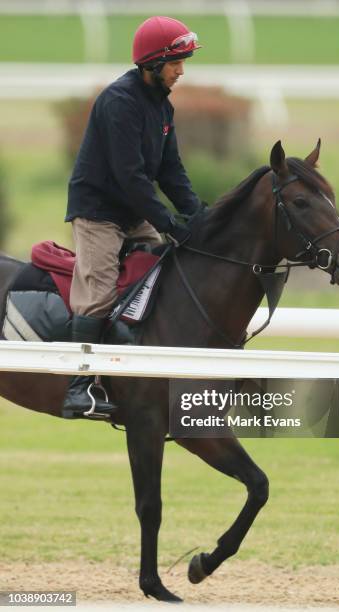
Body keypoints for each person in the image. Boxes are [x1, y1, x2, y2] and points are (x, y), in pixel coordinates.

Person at [62, 16, 202, 419]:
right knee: (100, 290)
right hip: (99, 212)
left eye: (183, 62)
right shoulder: (118, 102)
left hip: (131, 209)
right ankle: (79, 386)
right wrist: (167, 222)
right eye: (175, 63)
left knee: (169, 270)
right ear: (152, 63)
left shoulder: (162, 105)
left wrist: (195, 215)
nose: (181, 71)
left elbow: (171, 170)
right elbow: (131, 178)